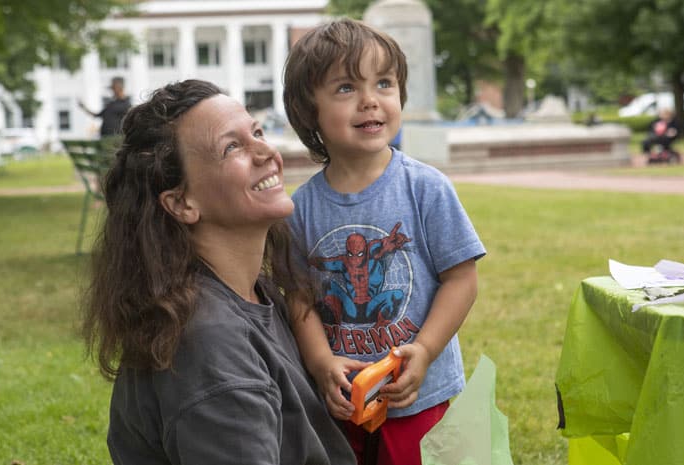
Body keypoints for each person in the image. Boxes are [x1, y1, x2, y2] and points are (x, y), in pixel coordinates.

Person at [81, 79, 356, 465]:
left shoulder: (250, 291)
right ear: (181, 202)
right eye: (232, 147)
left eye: (257, 132)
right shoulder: (211, 348)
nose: (266, 152)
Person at [283, 18, 486, 465]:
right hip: (342, 398)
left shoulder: (425, 188)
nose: (370, 100)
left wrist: (427, 349)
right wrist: (320, 364)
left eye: (384, 83)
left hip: (417, 392)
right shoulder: (301, 209)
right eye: (345, 88)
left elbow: (462, 279)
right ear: (307, 110)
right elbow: (299, 298)